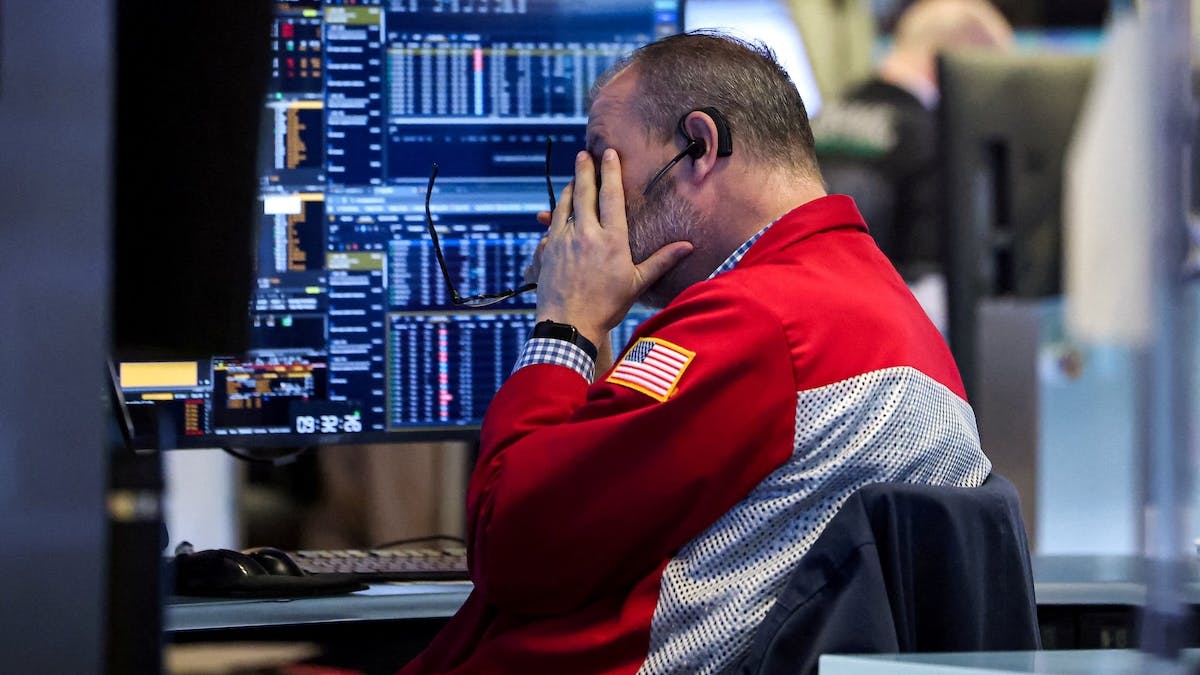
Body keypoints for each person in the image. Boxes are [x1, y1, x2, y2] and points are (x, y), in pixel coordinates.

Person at [400, 31, 991, 675]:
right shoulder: (864, 304)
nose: (581, 205)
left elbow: (513, 548)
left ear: (700, 147)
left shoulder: (754, 323)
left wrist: (564, 326)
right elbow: (607, 522)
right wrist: (598, 328)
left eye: (602, 161)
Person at [812, 0, 1013, 331]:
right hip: (883, 330)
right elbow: (932, 285)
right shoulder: (936, 138)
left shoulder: (822, 117)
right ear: (959, 63)